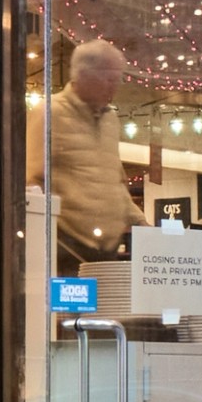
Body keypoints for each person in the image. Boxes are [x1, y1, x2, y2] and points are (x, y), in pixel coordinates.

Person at [43, 38, 141, 262]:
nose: (114, 86)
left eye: (118, 79)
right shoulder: (50, 112)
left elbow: (115, 182)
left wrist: (141, 221)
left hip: (107, 248)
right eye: (109, 79)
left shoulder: (111, 120)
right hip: (65, 248)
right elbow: (33, 180)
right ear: (83, 75)